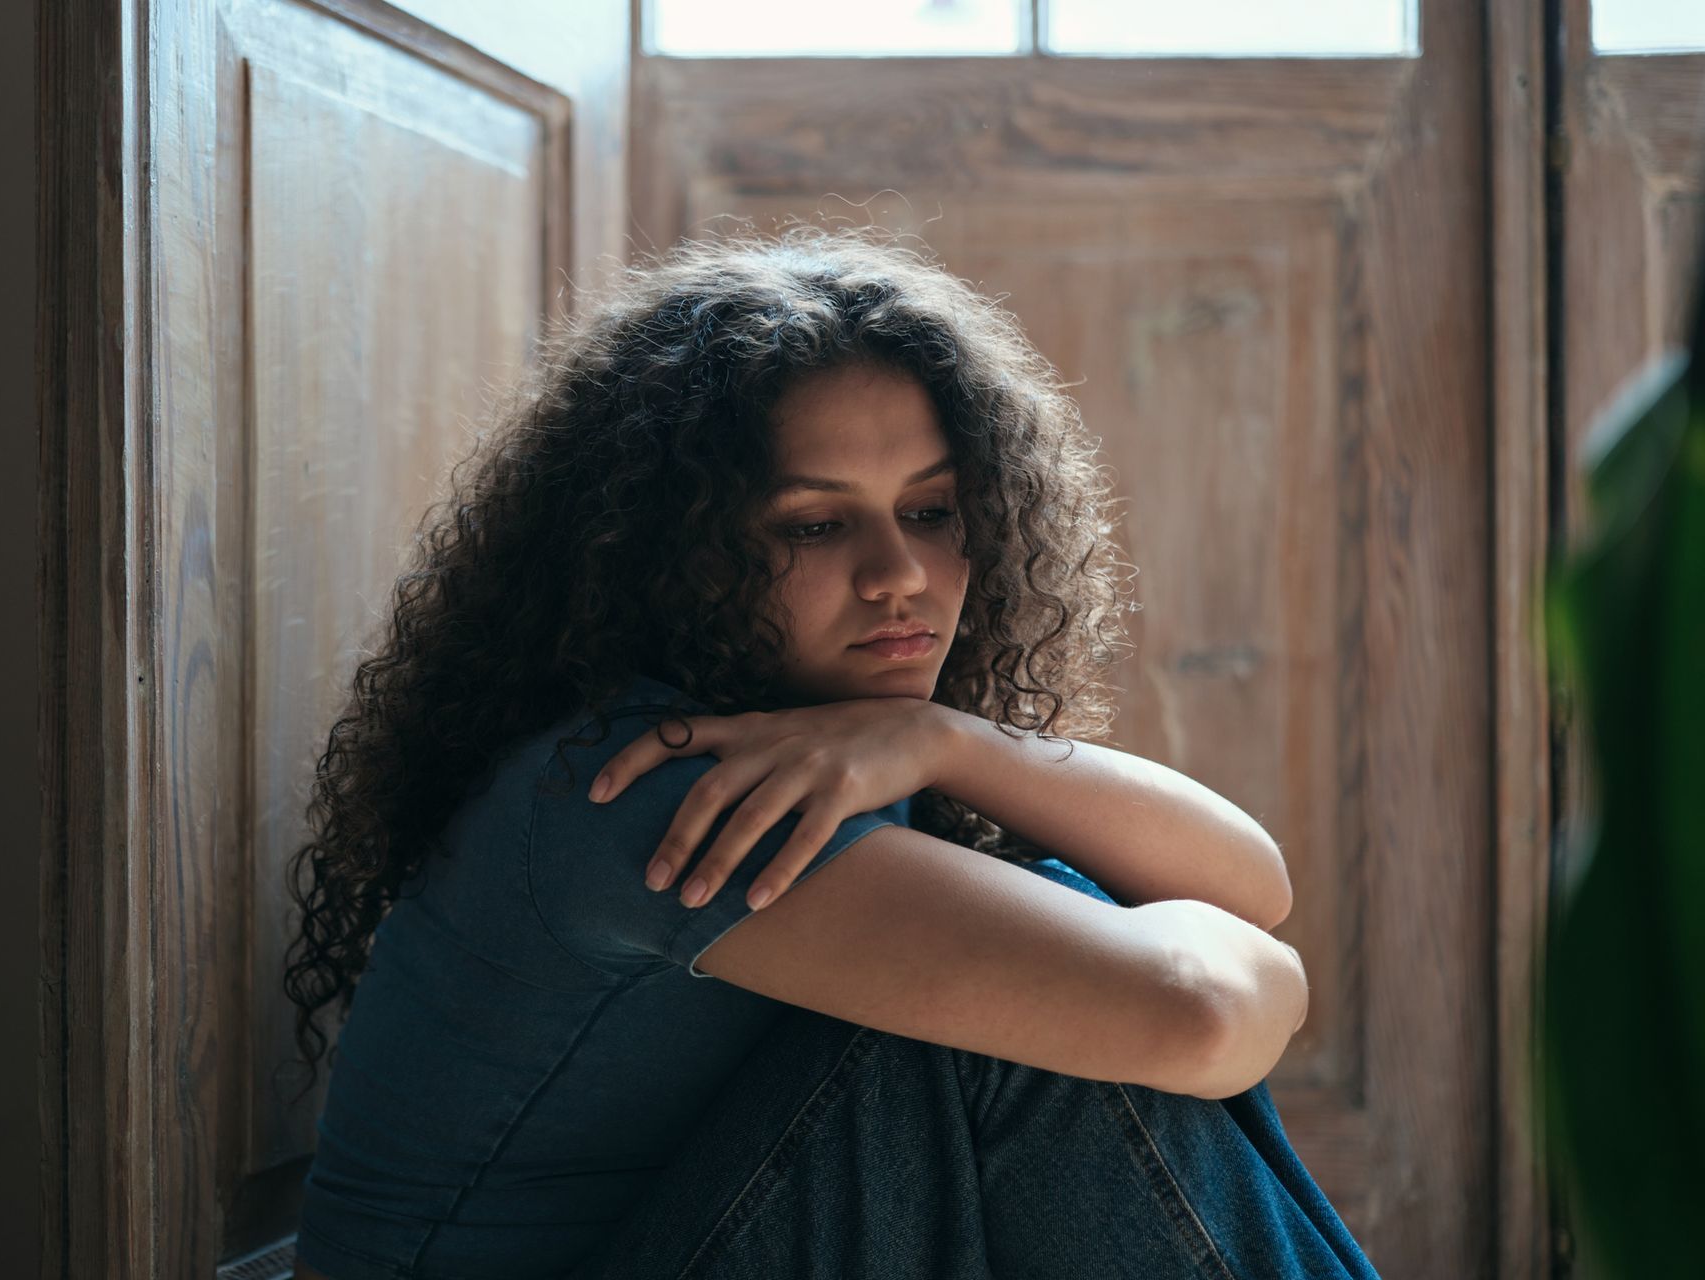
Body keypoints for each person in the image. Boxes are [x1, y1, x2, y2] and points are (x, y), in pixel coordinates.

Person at [281, 226, 1380, 1279]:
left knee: (1052, 955)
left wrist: (940, 737)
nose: (897, 572)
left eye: (933, 509)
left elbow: (1251, 883)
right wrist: (1254, 972)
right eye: (814, 523)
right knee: (1022, 1023)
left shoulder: (809, 741)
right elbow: (1200, 1009)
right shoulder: (657, 781)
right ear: (672, 550)